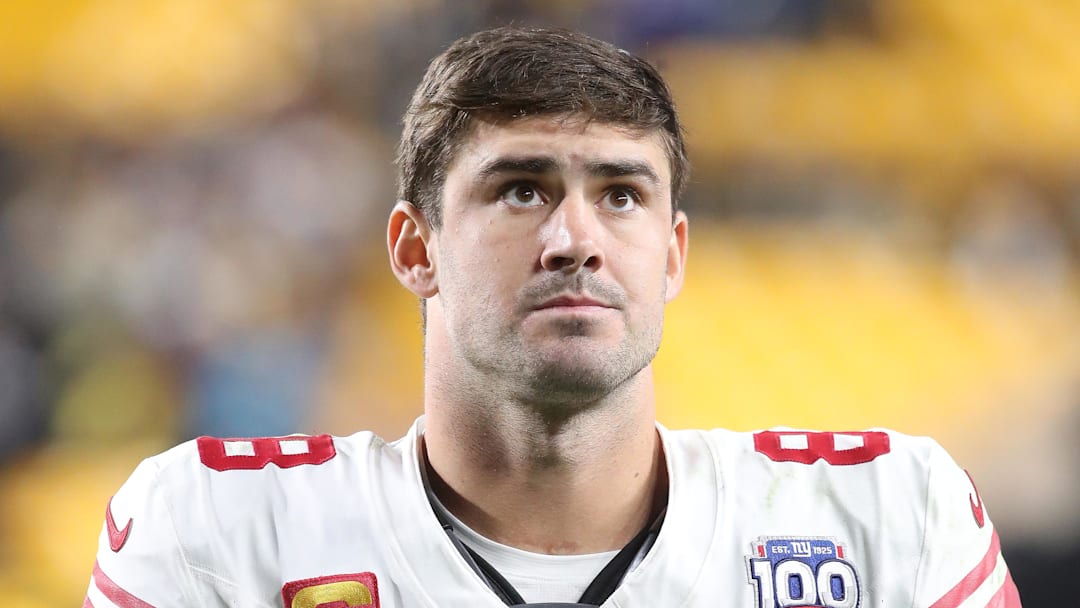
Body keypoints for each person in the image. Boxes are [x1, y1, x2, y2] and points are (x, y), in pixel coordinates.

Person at [84, 26, 1022, 608]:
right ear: (415, 249)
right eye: (521, 190)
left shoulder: (891, 520)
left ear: (673, 255)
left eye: (621, 195)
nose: (575, 240)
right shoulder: (215, 535)